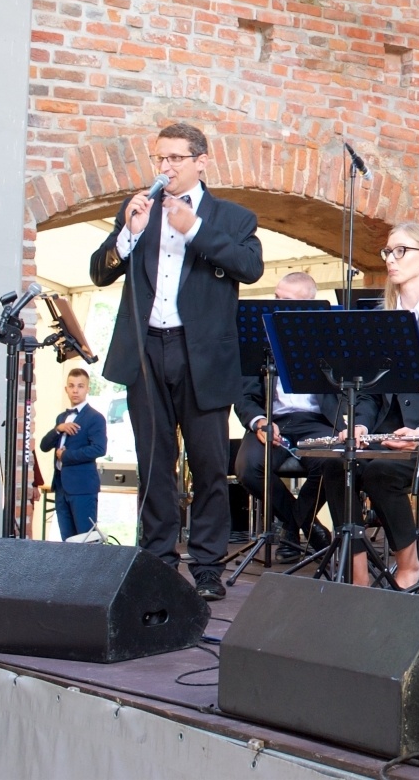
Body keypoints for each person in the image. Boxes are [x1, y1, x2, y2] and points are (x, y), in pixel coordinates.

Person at [89, 123, 264, 600]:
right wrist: (128, 233)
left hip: (202, 356)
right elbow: (98, 272)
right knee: (154, 463)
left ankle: (207, 565)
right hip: (145, 351)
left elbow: (250, 268)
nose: (164, 168)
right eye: (159, 159)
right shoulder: (136, 211)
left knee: (209, 465)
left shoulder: (233, 217)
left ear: (201, 160)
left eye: (174, 159)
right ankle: (158, 562)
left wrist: (197, 231)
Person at [318, 221, 419, 589]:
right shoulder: (380, 317)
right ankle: (357, 569)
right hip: (388, 435)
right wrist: (358, 424)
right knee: (337, 465)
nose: (391, 259)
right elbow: (371, 392)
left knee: (379, 475)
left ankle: (409, 565)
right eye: (388, 251)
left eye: (401, 251)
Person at [232, 272, 337, 562]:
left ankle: (292, 529)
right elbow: (243, 395)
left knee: (333, 463)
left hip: (317, 421)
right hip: (272, 419)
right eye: (276, 297)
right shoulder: (257, 338)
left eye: (285, 300)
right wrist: (259, 422)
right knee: (247, 467)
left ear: (308, 304)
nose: (276, 304)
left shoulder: (328, 339)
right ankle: (307, 527)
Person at [39, 368, 108, 540]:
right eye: (71, 386)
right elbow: (44, 446)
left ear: (87, 389)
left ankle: (91, 568)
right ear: (66, 389)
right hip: (61, 486)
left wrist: (66, 456)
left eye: (80, 386)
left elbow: (99, 449)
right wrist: (58, 429)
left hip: (82, 486)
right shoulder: (62, 417)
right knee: (67, 539)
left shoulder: (95, 417)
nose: (75, 390)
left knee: (85, 538)